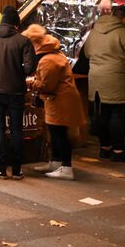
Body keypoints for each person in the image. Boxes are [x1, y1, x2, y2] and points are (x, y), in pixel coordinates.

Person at [23, 24, 86, 179]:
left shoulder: (48, 60)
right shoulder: (52, 53)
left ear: (34, 43)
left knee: (60, 134)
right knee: (55, 131)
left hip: (60, 101)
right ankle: (56, 162)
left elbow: (46, 86)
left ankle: (66, 168)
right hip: (58, 100)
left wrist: (28, 82)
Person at [0, 5, 37, 179]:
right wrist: (16, 69)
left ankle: (1, 168)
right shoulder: (24, 41)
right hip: (16, 91)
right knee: (16, 130)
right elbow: (29, 69)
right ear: (16, 24)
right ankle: (17, 170)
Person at [82, 0, 125, 161]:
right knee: (118, 115)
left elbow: (86, 53)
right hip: (118, 79)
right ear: (122, 18)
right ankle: (118, 151)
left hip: (96, 79)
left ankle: (104, 148)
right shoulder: (122, 32)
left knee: (101, 114)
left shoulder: (93, 32)